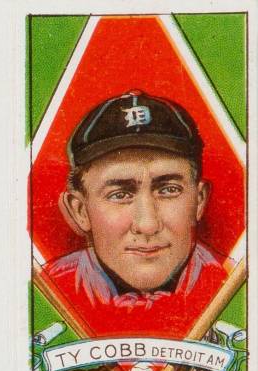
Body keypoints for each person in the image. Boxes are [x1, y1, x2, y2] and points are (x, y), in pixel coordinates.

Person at [42, 90, 228, 336]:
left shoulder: (234, 287)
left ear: (199, 200)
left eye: (169, 190)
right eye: (120, 195)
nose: (148, 224)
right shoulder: (46, 292)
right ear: (80, 211)